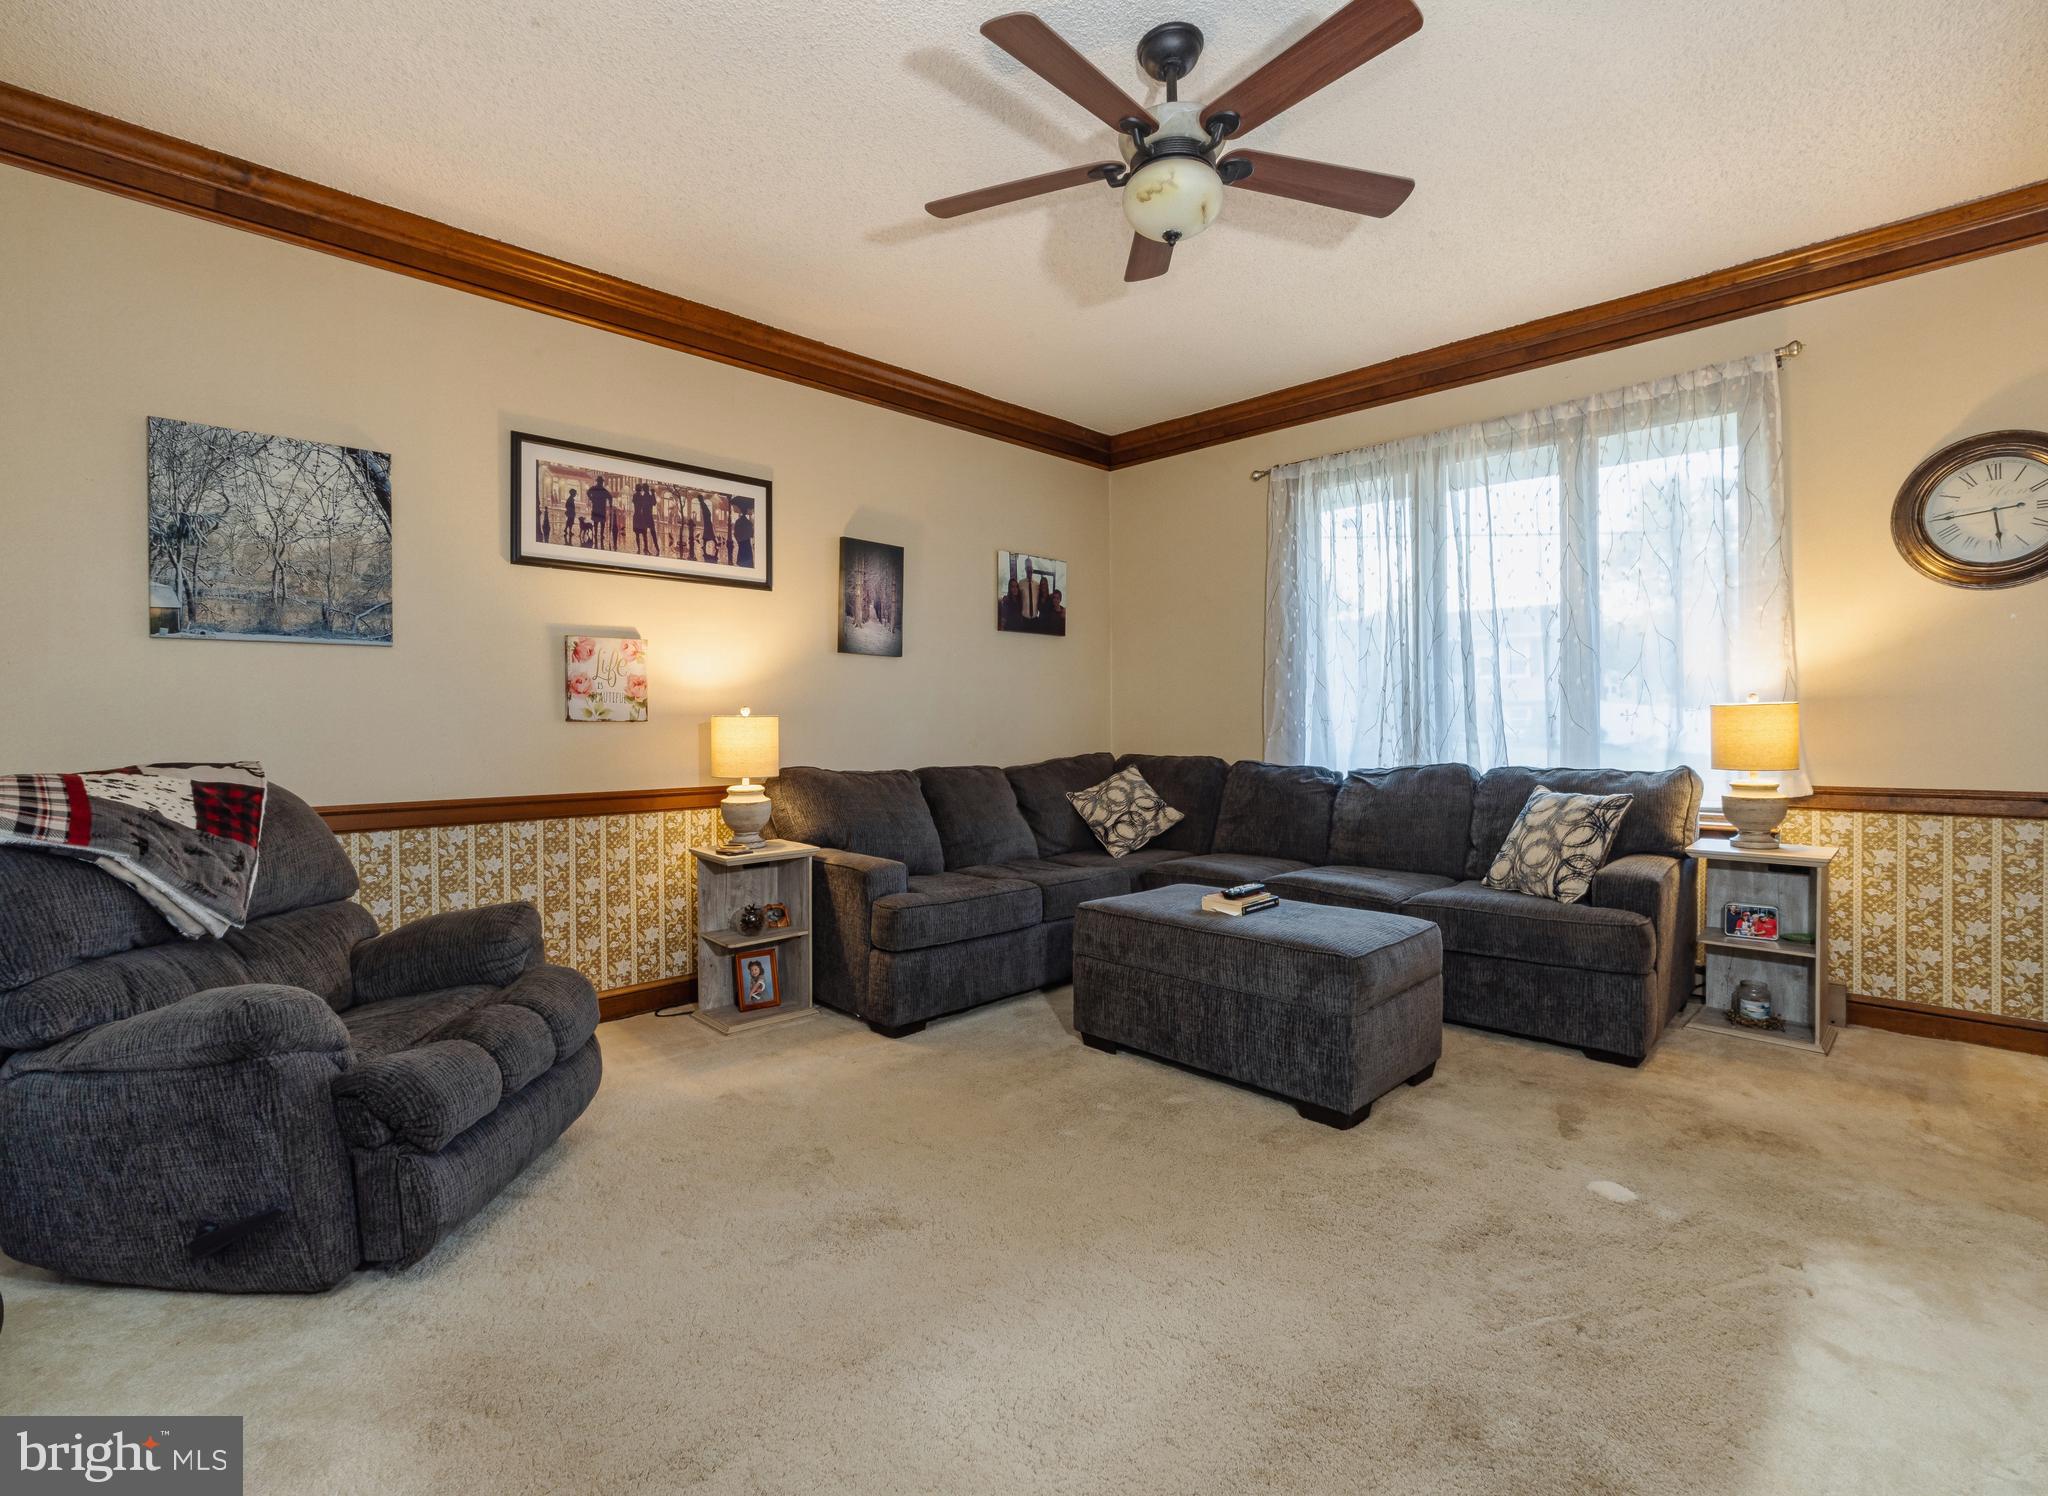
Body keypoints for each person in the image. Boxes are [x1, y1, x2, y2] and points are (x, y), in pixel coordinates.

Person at [587, 477, 612, 550]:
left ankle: (596, 535)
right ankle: (601, 535)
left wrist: (591, 498)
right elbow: (610, 497)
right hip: (601, 510)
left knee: (596, 523)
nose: (601, 483)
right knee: (602, 524)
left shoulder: (594, 488)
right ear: (601, 482)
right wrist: (610, 505)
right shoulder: (604, 490)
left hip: (596, 509)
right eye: (601, 482)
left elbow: (588, 492)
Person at [632, 482, 657, 555]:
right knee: (644, 534)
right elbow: (650, 503)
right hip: (641, 516)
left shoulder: (635, 496)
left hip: (636, 516)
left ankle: (639, 549)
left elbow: (635, 502)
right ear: (640, 489)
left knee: (637, 535)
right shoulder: (642, 497)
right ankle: (645, 549)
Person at [733, 503, 756, 569]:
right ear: (746, 512)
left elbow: (735, 533)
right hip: (747, 543)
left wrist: (738, 541)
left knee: (741, 561)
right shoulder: (748, 523)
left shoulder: (738, 521)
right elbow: (751, 534)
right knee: (748, 563)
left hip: (741, 543)